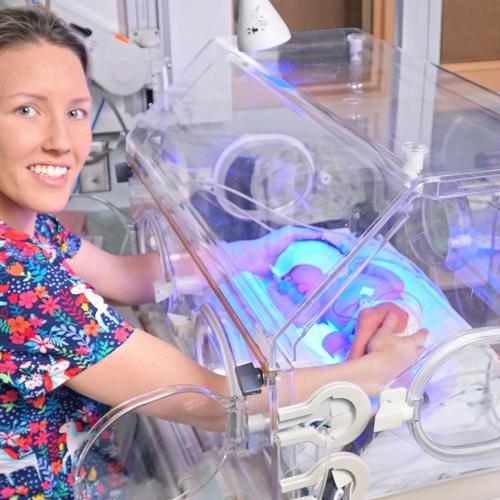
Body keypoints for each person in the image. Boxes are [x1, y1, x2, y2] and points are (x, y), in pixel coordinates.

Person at [0, 6, 428, 499]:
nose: (61, 141)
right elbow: (209, 400)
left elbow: (122, 277)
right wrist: (373, 372)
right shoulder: (18, 280)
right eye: (27, 109)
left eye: (75, 111)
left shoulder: (27, 228)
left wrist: (261, 251)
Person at [268, 239, 423, 361]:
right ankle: (365, 362)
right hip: (363, 340)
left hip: (394, 316)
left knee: (372, 316)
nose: (292, 285)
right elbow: (300, 319)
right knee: (330, 341)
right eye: (285, 282)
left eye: (292, 274)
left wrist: (368, 268)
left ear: (320, 263)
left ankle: (353, 365)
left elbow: (397, 284)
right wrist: (273, 289)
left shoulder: (351, 276)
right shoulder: (319, 313)